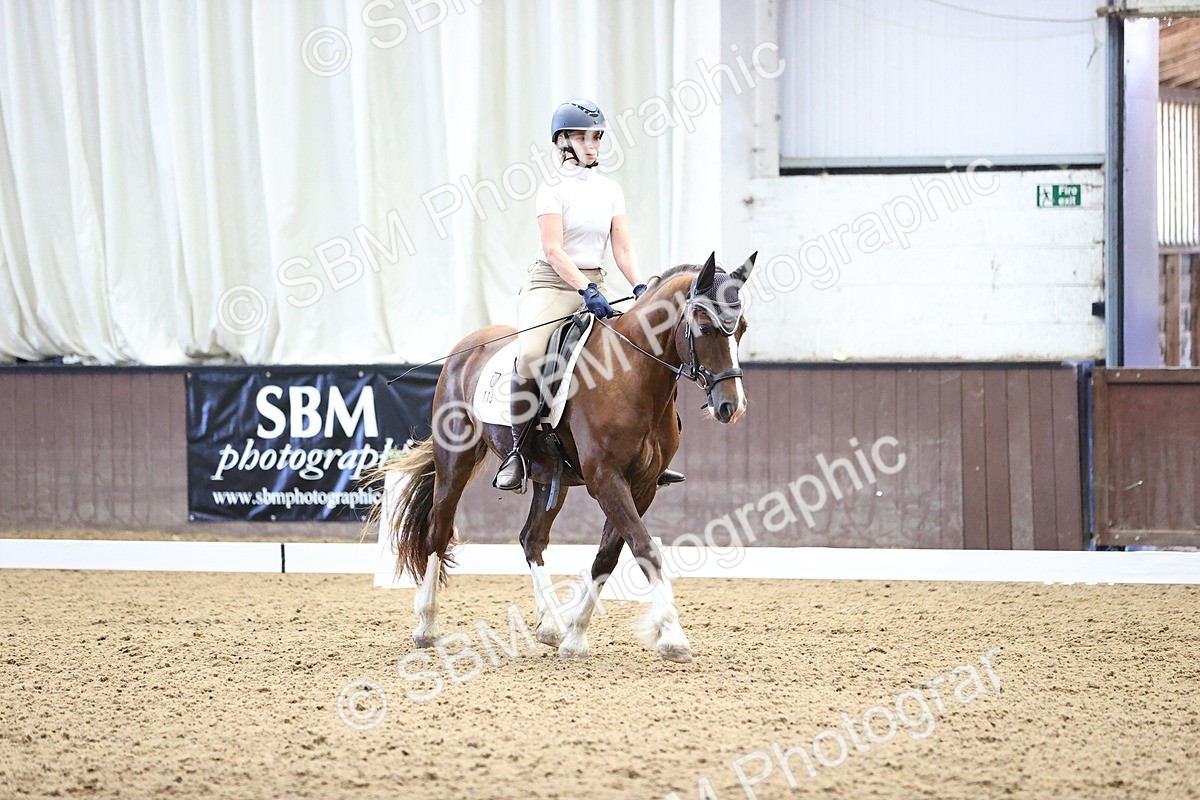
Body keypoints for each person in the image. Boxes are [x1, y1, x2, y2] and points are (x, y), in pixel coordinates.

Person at [492, 98, 684, 493]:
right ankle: (518, 452)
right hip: (553, 283)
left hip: (597, 281)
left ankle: (649, 449)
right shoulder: (551, 189)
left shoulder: (610, 190)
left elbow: (624, 249)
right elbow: (554, 250)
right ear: (563, 141)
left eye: (596, 136)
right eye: (583, 136)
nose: (592, 144)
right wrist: (585, 288)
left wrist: (640, 287)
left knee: (645, 342)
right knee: (530, 355)